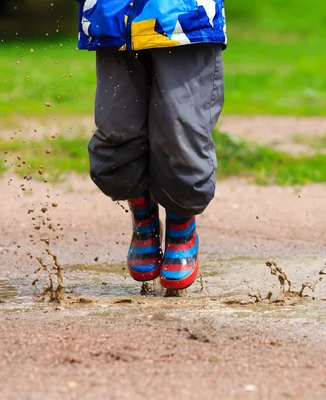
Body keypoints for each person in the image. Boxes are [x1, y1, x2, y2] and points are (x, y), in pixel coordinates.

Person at [76, 0, 226, 290]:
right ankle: (143, 214)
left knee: (180, 127)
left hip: (185, 19)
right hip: (113, 15)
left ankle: (181, 219)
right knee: (118, 128)